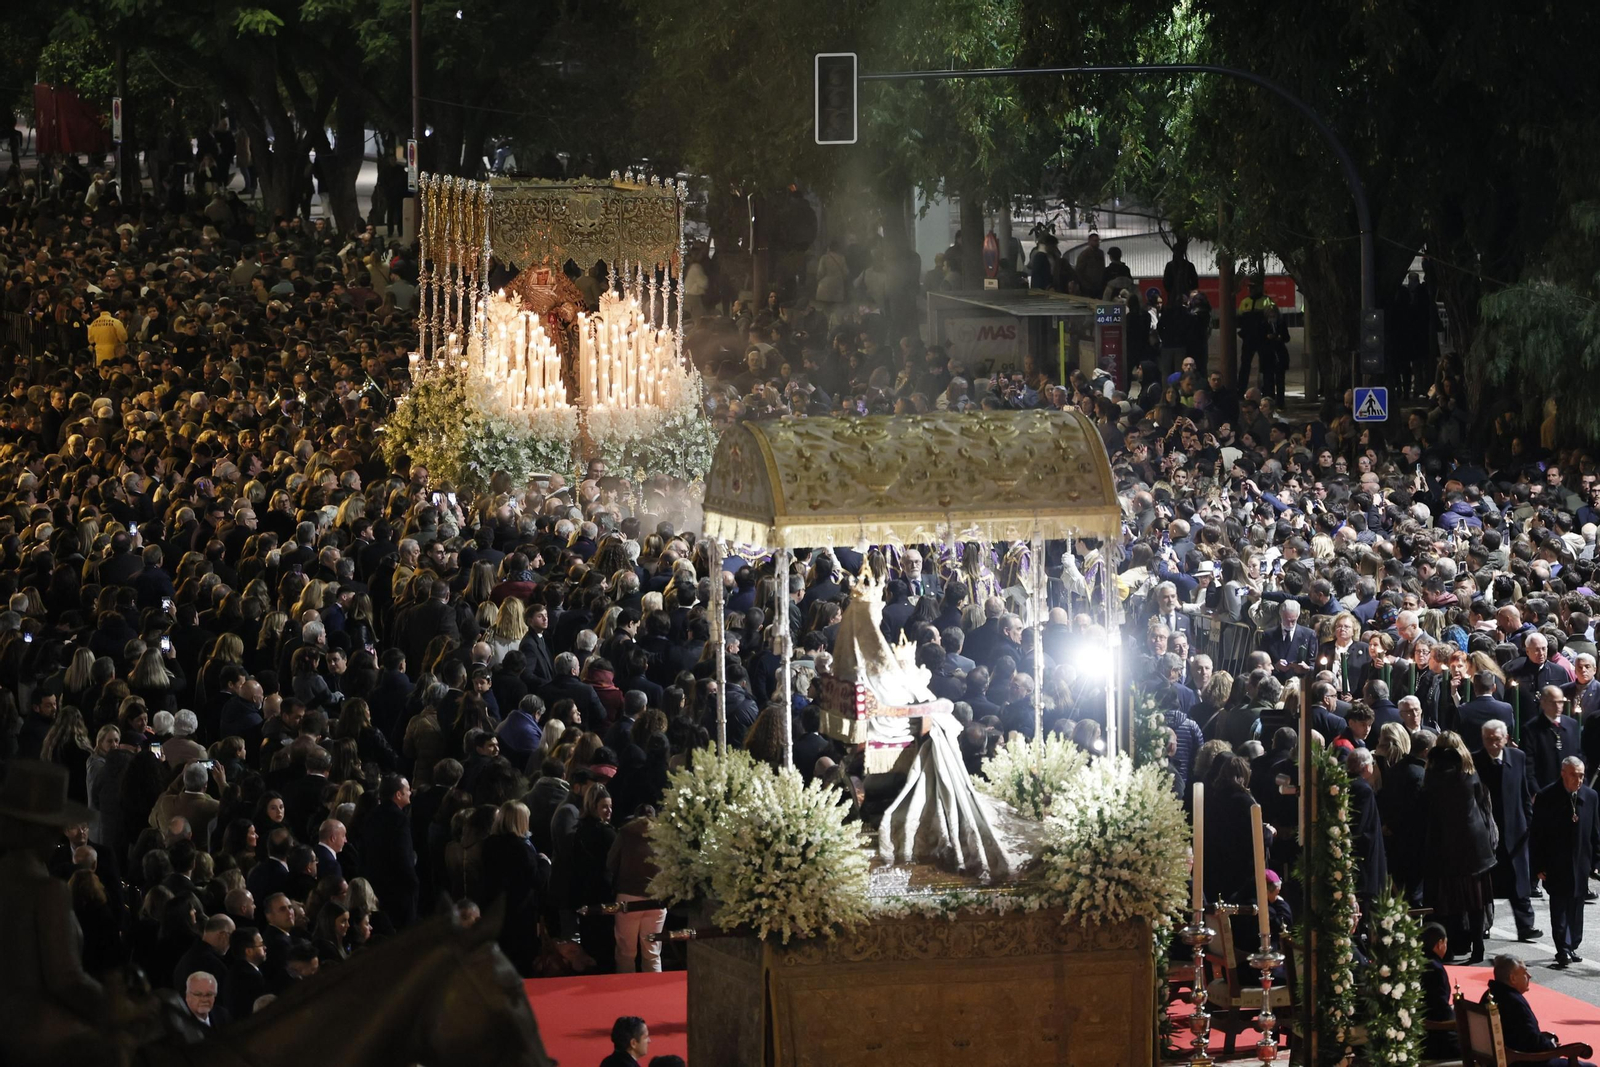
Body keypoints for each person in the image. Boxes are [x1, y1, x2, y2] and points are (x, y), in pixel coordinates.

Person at [1531, 757, 1600, 967]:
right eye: (1574, 775)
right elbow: (1537, 835)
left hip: (1581, 861)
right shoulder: (1546, 796)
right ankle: (1563, 948)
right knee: (1559, 905)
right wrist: (1538, 865)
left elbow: (1595, 832)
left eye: (1582, 776)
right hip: (1555, 861)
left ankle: (1572, 945)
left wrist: (1596, 861)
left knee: (1576, 906)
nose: (1579, 780)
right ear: (1563, 773)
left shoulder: (1591, 796)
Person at [1479, 720, 1542, 942]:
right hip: (1488, 832)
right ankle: (1484, 924)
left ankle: (1526, 925)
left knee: (1520, 879)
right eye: (1488, 740)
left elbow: (1524, 793)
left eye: (1497, 740)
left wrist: (1528, 821)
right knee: (1487, 882)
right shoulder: (1476, 760)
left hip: (1516, 830)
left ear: (1505, 739)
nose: (1493, 744)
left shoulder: (1518, 758)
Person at [1485, 955, 1597, 1067]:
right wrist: (1552, 1046)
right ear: (1513, 978)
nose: (1529, 976)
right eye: (1524, 972)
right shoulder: (1514, 1002)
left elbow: (1523, 1034)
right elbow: (1534, 1044)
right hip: (1522, 1061)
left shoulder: (1490, 995)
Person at [1418, 923, 1459, 1059]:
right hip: (1436, 1035)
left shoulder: (1417, 960)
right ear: (1440, 943)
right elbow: (1439, 1007)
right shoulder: (1434, 969)